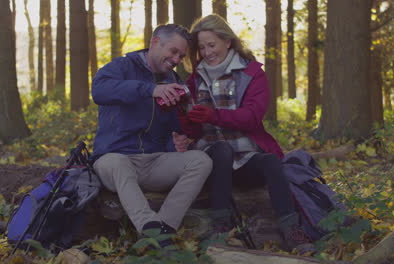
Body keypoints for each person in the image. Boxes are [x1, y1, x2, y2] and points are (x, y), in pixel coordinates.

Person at [178, 14, 313, 252]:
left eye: (212, 45)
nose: (207, 52)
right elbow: (190, 127)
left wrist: (214, 115)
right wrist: (183, 122)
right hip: (210, 160)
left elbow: (252, 117)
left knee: (271, 162)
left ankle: (292, 230)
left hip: (244, 158)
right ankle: (221, 227)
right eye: (201, 48)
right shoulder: (194, 80)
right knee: (220, 150)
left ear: (227, 41)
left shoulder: (251, 74)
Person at [91, 24, 212, 247]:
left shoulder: (174, 81)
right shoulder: (122, 66)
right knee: (118, 163)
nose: (176, 59)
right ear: (155, 42)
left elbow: (173, 130)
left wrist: (175, 142)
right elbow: (99, 90)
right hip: (114, 160)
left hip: (153, 162)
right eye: (173, 51)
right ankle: (149, 228)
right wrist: (149, 89)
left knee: (200, 161)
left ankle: (165, 227)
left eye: (181, 55)